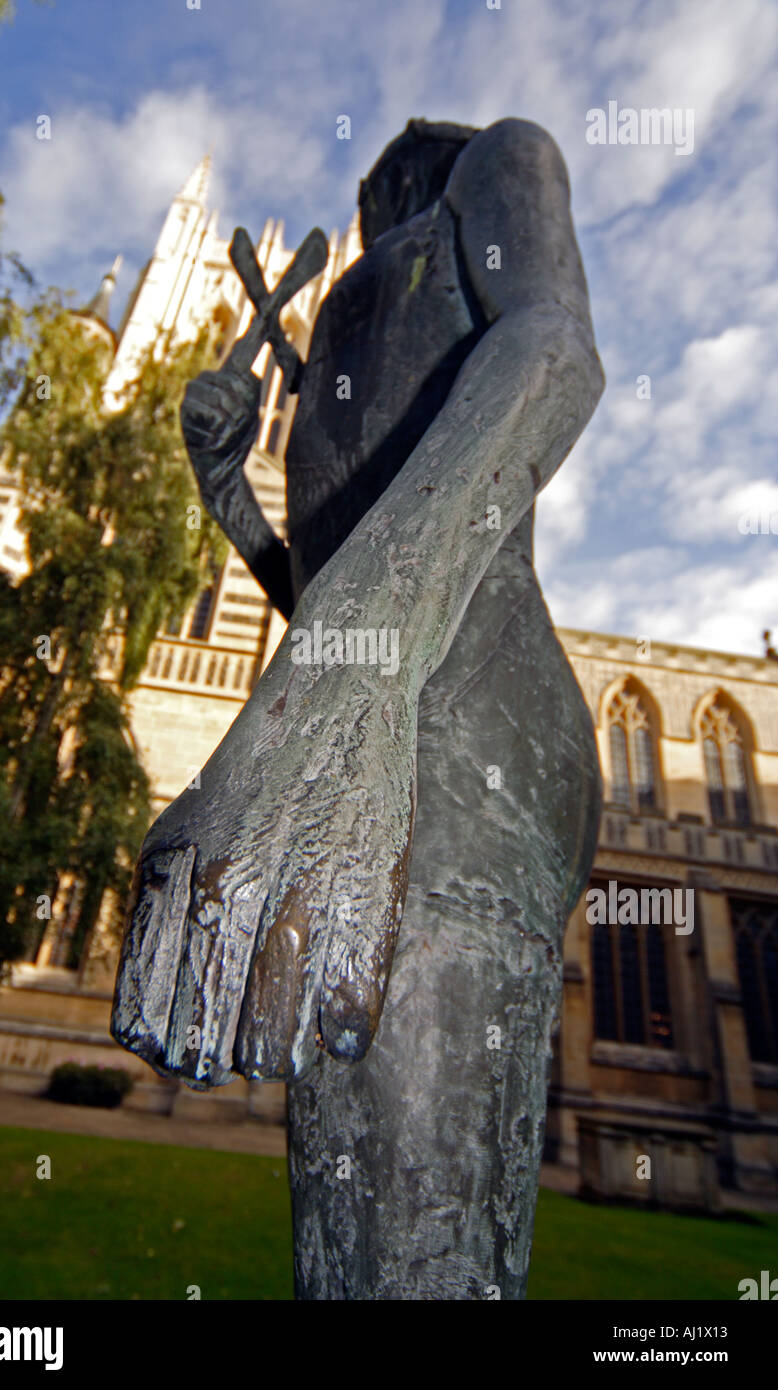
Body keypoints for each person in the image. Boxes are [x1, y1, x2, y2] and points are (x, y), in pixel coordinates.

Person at [112, 117, 605, 1299]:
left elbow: (553, 350)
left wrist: (336, 680)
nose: (371, 187)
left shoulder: (492, 166)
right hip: (398, 708)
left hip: (466, 740)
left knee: (401, 1256)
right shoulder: (366, 309)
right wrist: (230, 497)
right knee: (364, 1249)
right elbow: (336, 593)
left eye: (386, 176)